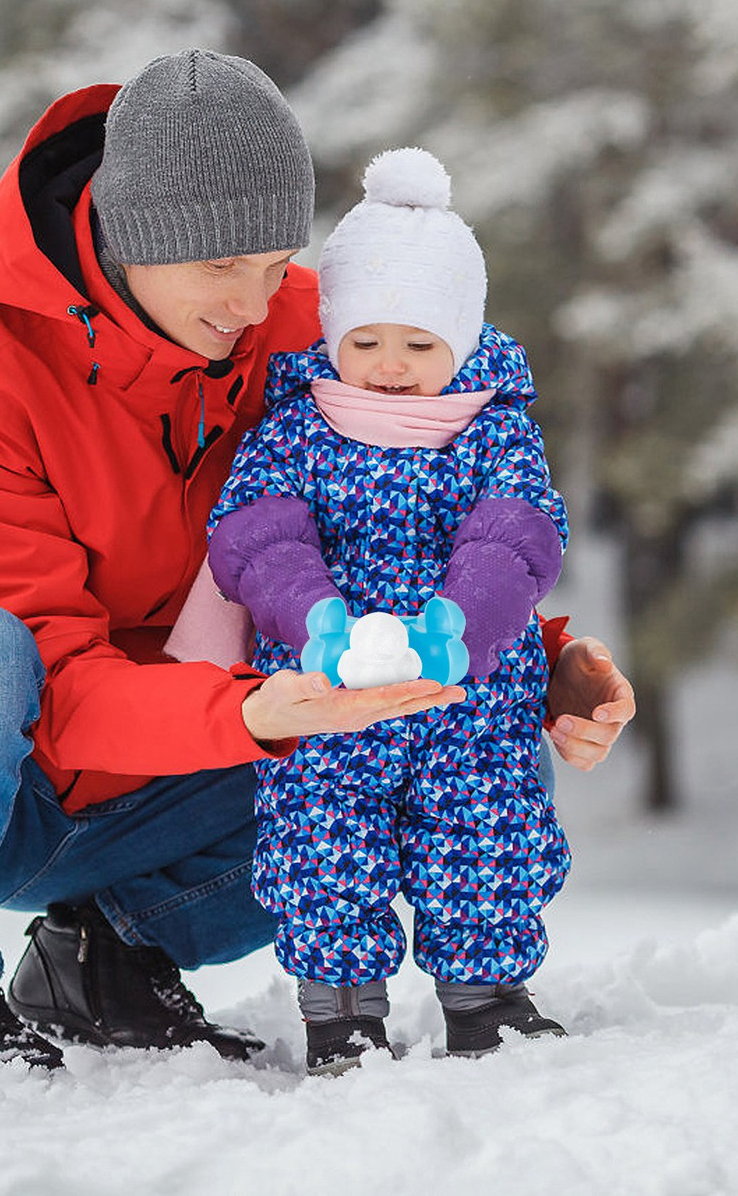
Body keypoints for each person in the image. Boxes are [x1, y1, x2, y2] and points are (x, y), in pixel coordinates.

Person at [0, 48, 635, 1083]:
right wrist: (244, 714)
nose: (253, 300)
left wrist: (524, 659)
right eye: (217, 266)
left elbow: (401, 523)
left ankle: (103, 955)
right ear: (131, 238)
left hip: (159, 763)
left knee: (386, 751)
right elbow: (47, 679)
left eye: (274, 259)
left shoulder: (309, 328)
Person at [207, 147, 573, 1072]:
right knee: (323, 847)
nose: (389, 368)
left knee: (485, 836)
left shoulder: (493, 424)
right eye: (365, 341)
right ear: (331, 332)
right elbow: (257, 536)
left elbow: (516, 537)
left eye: (419, 344)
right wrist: (313, 619)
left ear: (462, 337)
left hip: (469, 700)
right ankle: (340, 1013)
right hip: (326, 695)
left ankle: (487, 997)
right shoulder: (295, 425)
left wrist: (462, 627)